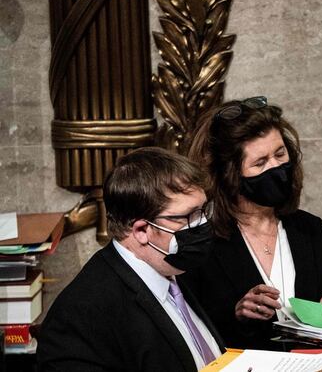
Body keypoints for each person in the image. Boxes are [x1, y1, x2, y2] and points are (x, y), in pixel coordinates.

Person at [184, 96, 322, 350]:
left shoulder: (310, 228)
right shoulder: (203, 242)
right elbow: (195, 337)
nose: (276, 167)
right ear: (230, 176)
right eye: (260, 162)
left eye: (280, 154)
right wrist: (238, 314)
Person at [37, 147, 224, 371]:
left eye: (203, 210)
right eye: (188, 216)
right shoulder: (81, 316)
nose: (202, 223)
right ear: (141, 230)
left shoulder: (174, 266)